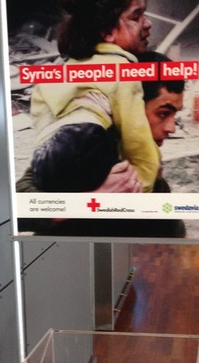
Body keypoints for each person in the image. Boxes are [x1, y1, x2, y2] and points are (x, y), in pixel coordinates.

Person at [16, 51, 187, 238]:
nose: (171, 128)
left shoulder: (147, 165)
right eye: (163, 113)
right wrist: (95, 198)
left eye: (175, 115)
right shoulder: (84, 148)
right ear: (132, 107)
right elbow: (18, 206)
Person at [29, 0, 160, 194]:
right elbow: (136, 138)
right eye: (136, 17)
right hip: (85, 145)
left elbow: (41, 117)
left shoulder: (59, 71)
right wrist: (143, 183)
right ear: (107, 33)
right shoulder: (120, 68)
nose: (148, 23)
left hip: (42, 164)